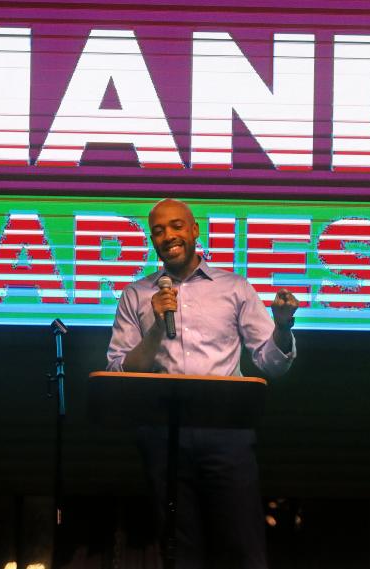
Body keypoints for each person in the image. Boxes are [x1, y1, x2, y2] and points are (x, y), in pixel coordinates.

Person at [106, 198, 299, 569]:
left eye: (177, 226)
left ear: (195, 231)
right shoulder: (136, 295)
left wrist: (283, 327)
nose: (168, 236)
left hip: (226, 431)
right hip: (163, 433)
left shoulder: (235, 288)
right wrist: (158, 328)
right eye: (159, 230)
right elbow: (120, 371)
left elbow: (271, 364)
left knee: (243, 547)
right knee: (179, 550)